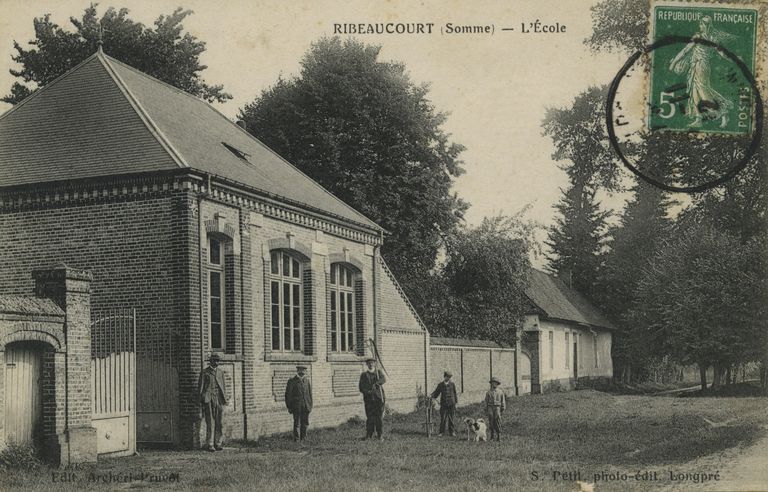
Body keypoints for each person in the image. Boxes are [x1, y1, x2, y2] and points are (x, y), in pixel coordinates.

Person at [668, 16, 735, 128]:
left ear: (705, 25)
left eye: (701, 24)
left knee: (703, 90)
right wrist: (734, 59)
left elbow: (685, 51)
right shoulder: (713, 38)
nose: (700, 26)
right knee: (694, 90)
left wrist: (673, 63)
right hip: (697, 66)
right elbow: (722, 54)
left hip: (701, 66)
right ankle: (698, 118)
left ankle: (722, 111)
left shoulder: (699, 37)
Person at [198, 353, 228, 451]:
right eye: (215, 360)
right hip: (208, 399)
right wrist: (201, 400)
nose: (217, 362)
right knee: (210, 421)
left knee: (220, 422)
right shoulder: (204, 372)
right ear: (210, 361)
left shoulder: (220, 372)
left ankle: (218, 443)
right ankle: (210, 444)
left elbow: (223, 387)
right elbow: (201, 388)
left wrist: (224, 398)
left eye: (218, 361)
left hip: (219, 399)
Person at [358, 357, 386, 440]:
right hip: (369, 399)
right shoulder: (364, 375)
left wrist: (376, 384)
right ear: (367, 364)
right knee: (370, 417)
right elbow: (361, 387)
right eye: (369, 363)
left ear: (374, 364)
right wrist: (367, 392)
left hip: (378, 398)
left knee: (378, 417)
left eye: (372, 363)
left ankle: (380, 435)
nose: (371, 364)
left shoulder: (378, 372)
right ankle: (369, 435)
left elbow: (383, 379)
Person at [284, 365, 313, 442]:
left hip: (306, 406)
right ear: (297, 371)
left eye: (304, 371)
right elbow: (288, 396)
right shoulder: (292, 381)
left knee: (305, 423)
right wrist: (289, 407)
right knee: (297, 423)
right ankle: (296, 439)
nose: (302, 372)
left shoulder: (307, 381)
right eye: (300, 371)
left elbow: (309, 394)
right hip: (296, 407)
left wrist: (310, 405)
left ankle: (304, 438)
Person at [430, 371, 459, 436]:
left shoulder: (452, 384)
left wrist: (456, 403)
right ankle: (441, 432)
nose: (449, 378)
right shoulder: (440, 385)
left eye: (450, 377)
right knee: (443, 418)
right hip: (444, 404)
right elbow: (436, 393)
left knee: (451, 418)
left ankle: (452, 432)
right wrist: (432, 396)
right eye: (448, 377)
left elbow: (455, 393)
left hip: (451, 403)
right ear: (445, 377)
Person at [484, 376, 506, 442]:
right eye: (492, 383)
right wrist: (486, 409)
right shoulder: (488, 392)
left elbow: (503, 401)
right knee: (491, 422)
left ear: (497, 384)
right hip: (490, 407)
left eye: (495, 383)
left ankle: (499, 437)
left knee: (497, 421)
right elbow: (486, 401)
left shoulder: (500, 392)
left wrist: (503, 408)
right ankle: (492, 436)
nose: (494, 384)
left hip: (497, 407)